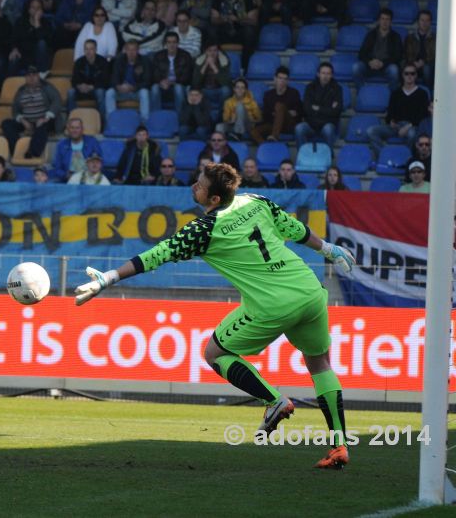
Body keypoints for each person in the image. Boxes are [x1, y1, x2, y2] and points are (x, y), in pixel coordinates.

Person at [74, 162, 355, 469]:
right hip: (309, 290)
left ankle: (273, 400)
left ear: (214, 200)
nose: (194, 185)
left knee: (215, 352)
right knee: (319, 363)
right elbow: (294, 229)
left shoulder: (204, 229)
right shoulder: (256, 201)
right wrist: (328, 249)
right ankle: (339, 445)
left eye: (200, 184)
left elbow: (158, 254)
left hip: (274, 304)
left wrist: (109, 278)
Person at [366, 63, 429, 156]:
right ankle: (384, 155)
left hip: (412, 126)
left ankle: (405, 157)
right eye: (406, 73)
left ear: (416, 75)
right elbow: (390, 112)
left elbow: (423, 115)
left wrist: (407, 127)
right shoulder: (396, 93)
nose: (409, 76)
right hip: (396, 127)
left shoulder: (422, 93)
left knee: (412, 134)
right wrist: (391, 121)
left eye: (412, 73)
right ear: (402, 75)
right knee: (371, 131)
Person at [3, 67, 61, 158]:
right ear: (25, 78)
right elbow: (15, 109)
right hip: (28, 122)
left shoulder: (47, 87)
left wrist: (45, 118)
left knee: (42, 128)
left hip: (46, 120)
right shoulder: (21, 90)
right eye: (28, 75)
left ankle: (33, 152)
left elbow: (57, 101)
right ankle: (16, 148)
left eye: (34, 75)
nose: (31, 78)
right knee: (6, 124)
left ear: (38, 76)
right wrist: (23, 120)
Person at [295, 62, 343, 151]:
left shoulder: (337, 88)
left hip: (327, 124)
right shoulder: (310, 87)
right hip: (311, 124)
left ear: (332, 75)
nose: (325, 76)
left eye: (328, 74)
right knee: (299, 128)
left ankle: (328, 157)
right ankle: (303, 156)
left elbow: (337, 111)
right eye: (323, 73)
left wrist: (318, 108)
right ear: (318, 74)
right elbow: (306, 108)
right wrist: (328, 109)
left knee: (328, 129)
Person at [353, 7, 402, 91]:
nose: (384, 22)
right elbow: (362, 53)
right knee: (356, 67)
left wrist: (383, 63)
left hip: (386, 66)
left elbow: (398, 56)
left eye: (387, 19)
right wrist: (370, 61)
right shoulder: (371, 34)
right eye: (382, 19)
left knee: (394, 70)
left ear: (391, 22)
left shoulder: (396, 36)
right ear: (379, 20)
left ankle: (392, 98)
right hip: (370, 65)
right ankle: (361, 93)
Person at [250, 66, 302, 144]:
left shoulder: (294, 93)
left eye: (285, 79)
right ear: (275, 79)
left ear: (288, 81)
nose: (282, 81)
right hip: (273, 124)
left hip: (288, 125)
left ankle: (274, 136)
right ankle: (267, 147)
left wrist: (283, 112)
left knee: (279, 106)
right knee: (253, 132)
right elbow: (266, 115)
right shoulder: (268, 95)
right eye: (280, 78)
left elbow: (299, 112)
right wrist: (279, 114)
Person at [105, 41, 152, 123]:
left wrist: (133, 88)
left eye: (133, 50)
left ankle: (144, 122)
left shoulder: (144, 61)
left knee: (144, 93)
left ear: (138, 51)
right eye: (128, 50)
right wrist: (118, 86)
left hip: (136, 92)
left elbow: (147, 81)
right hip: (121, 91)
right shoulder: (119, 60)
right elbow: (113, 78)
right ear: (125, 50)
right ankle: (111, 121)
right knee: (109, 93)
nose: (131, 52)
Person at [150, 32, 193, 115]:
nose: (171, 45)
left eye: (174, 42)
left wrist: (172, 82)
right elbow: (154, 73)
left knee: (178, 88)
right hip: (163, 85)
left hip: (178, 84)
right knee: (154, 88)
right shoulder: (158, 56)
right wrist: (161, 81)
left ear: (178, 43)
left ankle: (180, 116)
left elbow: (187, 76)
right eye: (169, 42)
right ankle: (156, 116)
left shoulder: (185, 56)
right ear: (165, 44)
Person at [51, 117, 103, 182]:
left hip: (89, 177)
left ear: (82, 129)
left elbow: (100, 161)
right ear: (68, 130)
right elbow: (57, 168)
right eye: (72, 128)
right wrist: (66, 175)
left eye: (77, 128)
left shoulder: (92, 142)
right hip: (68, 178)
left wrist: (90, 174)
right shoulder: (61, 145)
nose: (74, 130)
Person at [68, 39, 109, 113]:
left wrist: (92, 87)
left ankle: (102, 121)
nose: (88, 51)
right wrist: (79, 86)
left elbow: (105, 81)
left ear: (96, 49)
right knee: (71, 92)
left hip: (95, 89)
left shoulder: (103, 62)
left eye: (91, 49)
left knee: (100, 92)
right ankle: (72, 118)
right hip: (81, 90)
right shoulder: (79, 62)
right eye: (86, 49)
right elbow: (74, 80)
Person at [191, 42, 232, 116]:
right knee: (190, 90)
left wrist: (214, 66)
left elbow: (225, 82)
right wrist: (205, 65)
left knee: (226, 90)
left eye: (215, 50)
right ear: (205, 51)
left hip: (217, 90)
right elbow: (195, 82)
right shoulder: (199, 61)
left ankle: (221, 115)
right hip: (204, 91)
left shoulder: (224, 61)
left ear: (218, 51)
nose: (212, 53)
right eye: (210, 50)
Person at [403, 10, 435, 89]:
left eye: (427, 20)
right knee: (407, 69)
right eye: (422, 20)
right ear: (418, 22)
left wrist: (424, 62)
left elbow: (436, 55)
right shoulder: (410, 38)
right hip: (413, 64)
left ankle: (430, 94)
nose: (424, 23)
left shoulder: (435, 38)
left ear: (430, 22)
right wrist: (413, 62)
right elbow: (406, 53)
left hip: (428, 65)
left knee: (426, 69)